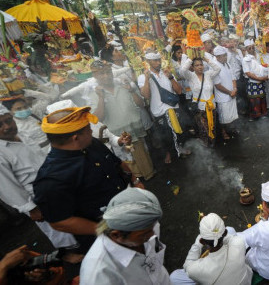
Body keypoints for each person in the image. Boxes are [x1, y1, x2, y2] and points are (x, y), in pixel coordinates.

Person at [33, 106, 139, 253]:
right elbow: (59, 222)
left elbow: (116, 163)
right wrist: (105, 230)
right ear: (75, 137)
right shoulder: (51, 180)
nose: (91, 131)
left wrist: (136, 181)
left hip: (129, 212)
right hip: (107, 239)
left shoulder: (91, 144)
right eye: (88, 128)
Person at [0, 105, 79, 258]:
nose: (7, 126)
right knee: (57, 229)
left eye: (8, 120)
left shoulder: (22, 134)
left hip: (56, 184)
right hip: (38, 197)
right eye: (0, 125)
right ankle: (69, 254)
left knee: (73, 219)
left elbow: (40, 155)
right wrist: (31, 208)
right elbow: (7, 188)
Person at [80, 187, 170, 284]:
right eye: (144, 234)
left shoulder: (146, 227)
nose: (153, 235)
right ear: (116, 235)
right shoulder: (98, 275)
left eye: (152, 229)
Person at [90, 60, 154, 179]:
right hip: (117, 135)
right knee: (128, 163)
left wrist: (131, 90)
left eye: (108, 72)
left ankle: (149, 175)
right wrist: (100, 98)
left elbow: (141, 104)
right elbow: (98, 119)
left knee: (143, 156)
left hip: (135, 129)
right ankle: (135, 182)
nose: (106, 76)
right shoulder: (93, 94)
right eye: (101, 73)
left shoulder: (123, 85)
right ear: (95, 76)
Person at [170, 213, 252, 285]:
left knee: (174, 277)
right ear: (225, 233)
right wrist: (215, 232)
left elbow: (187, 265)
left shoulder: (195, 269)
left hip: (211, 244)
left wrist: (197, 243)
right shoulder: (239, 242)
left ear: (202, 241)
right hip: (246, 281)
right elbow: (227, 235)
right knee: (231, 229)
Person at [139, 52, 190, 164]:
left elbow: (179, 91)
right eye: (155, 60)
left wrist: (171, 77)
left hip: (173, 107)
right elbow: (146, 96)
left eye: (159, 60)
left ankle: (180, 148)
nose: (158, 62)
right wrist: (147, 79)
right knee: (164, 135)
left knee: (179, 131)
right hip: (159, 111)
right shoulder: (143, 77)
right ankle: (168, 153)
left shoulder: (166, 73)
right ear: (148, 62)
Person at [180, 56, 221, 147]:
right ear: (193, 67)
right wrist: (190, 58)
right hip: (200, 108)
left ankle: (212, 146)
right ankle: (205, 148)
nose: (199, 67)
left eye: (201, 65)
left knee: (212, 126)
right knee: (203, 129)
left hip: (211, 106)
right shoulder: (191, 76)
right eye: (197, 65)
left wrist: (206, 59)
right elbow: (182, 70)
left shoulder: (208, 74)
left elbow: (218, 68)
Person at [213, 46, 238, 140]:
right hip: (223, 96)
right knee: (223, 118)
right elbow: (217, 85)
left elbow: (233, 77)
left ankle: (231, 129)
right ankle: (223, 133)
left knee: (232, 115)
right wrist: (229, 92)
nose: (225, 57)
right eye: (223, 56)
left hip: (232, 94)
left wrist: (234, 89)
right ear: (217, 57)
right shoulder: (215, 67)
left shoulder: (227, 64)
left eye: (225, 55)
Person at [242, 39, 268, 120]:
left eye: (253, 47)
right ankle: (254, 116)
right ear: (246, 49)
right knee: (254, 101)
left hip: (262, 82)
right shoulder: (245, 59)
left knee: (262, 99)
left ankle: (262, 114)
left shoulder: (259, 55)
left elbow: (264, 66)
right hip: (253, 83)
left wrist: (265, 76)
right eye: (249, 48)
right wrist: (259, 78)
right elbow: (248, 73)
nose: (252, 49)